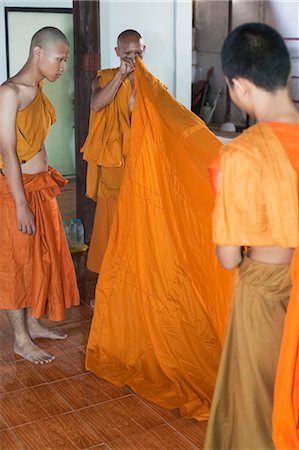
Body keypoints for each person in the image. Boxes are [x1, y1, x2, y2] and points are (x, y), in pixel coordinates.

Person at [204, 23, 299, 449]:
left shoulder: (242, 155)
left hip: (267, 292)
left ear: (239, 85)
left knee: (258, 409)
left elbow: (227, 258)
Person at [0, 27, 80, 365]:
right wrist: (20, 205)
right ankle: (20, 339)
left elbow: (36, 138)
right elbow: (7, 150)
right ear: (37, 53)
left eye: (65, 60)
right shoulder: (9, 92)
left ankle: (33, 323)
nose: (63, 66)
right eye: (59, 59)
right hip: (16, 191)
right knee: (16, 264)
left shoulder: (38, 90)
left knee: (42, 258)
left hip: (40, 185)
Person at [81, 29, 145, 275]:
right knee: (109, 229)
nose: (133, 59)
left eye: (137, 53)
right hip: (114, 166)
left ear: (144, 51)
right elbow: (96, 104)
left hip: (139, 165)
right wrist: (121, 77)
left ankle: (132, 290)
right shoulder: (105, 78)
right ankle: (106, 290)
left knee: (137, 229)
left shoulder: (151, 85)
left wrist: (134, 109)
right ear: (117, 52)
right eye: (127, 53)